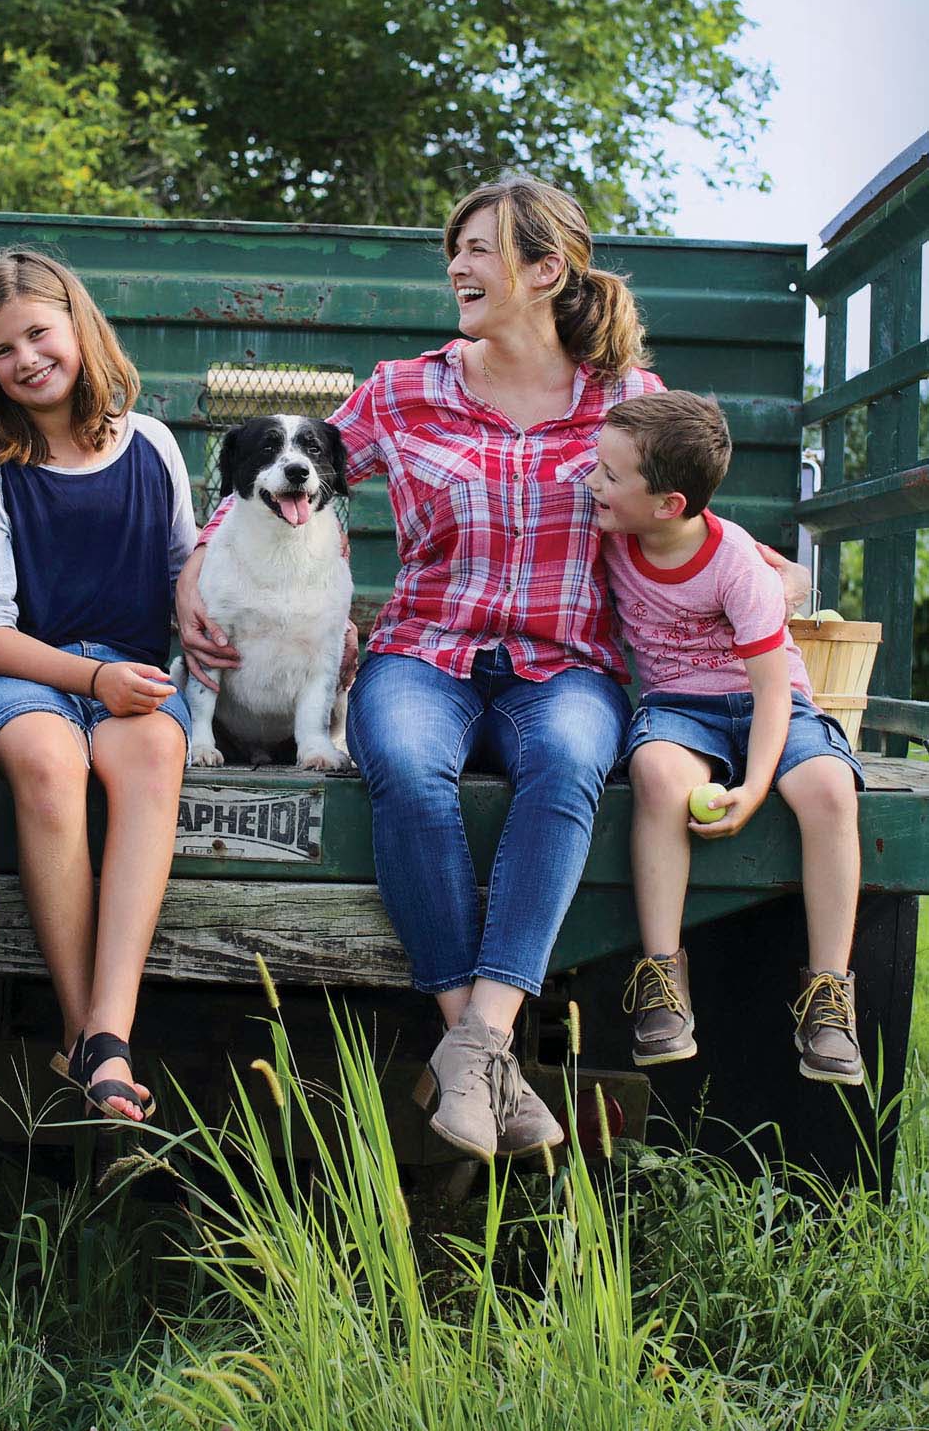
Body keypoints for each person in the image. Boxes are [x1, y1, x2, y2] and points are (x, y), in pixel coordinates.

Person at [179, 176, 809, 1163]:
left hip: (563, 666)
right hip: (423, 651)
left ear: (544, 270)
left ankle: (474, 1045)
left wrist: (754, 565)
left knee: (563, 766)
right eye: (455, 249)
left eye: (479, 249)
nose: (457, 267)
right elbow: (286, 474)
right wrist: (192, 568)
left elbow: (683, 512)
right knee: (401, 765)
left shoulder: (627, 401)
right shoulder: (403, 390)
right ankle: (482, 1056)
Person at [0, 250, 195, 1124]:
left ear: (77, 328)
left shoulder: (151, 444)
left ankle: (109, 1033)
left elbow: (182, 563)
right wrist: (89, 677)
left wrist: (204, 599)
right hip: (33, 673)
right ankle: (82, 1026)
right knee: (48, 764)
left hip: (133, 676)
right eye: (0, 350)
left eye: (39, 334)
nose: (26, 360)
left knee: (156, 749)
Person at [588, 391, 864, 1084]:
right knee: (654, 774)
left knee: (830, 788)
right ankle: (659, 980)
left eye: (607, 475)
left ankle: (829, 997)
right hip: (679, 711)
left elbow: (774, 693)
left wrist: (751, 789)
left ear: (667, 505)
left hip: (770, 706)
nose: (590, 481)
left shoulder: (734, 563)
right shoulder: (612, 532)